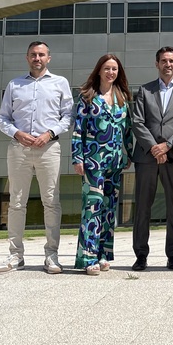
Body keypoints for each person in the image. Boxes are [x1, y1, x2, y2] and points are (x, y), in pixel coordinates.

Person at [0, 40, 74, 275]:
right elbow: (2, 118)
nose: (37, 58)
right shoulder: (15, 85)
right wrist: (17, 133)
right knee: (16, 202)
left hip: (49, 149)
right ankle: (15, 256)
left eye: (41, 54)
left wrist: (49, 133)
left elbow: (69, 116)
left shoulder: (60, 83)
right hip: (19, 149)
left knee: (51, 202)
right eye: (33, 55)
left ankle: (52, 255)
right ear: (27, 58)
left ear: (49, 58)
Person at [129, 46, 173, 271]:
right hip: (146, 157)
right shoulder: (144, 90)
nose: (168, 64)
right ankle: (140, 255)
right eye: (164, 61)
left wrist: (167, 146)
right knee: (142, 207)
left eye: (172, 61)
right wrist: (154, 148)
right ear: (156, 63)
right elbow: (137, 122)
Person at [72, 53, 132, 275]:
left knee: (108, 209)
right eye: (107, 68)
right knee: (92, 208)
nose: (110, 72)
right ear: (99, 70)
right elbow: (78, 129)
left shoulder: (122, 97)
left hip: (114, 162)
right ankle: (88, 258)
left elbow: (127, 129)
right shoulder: (87, 96)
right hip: (93, 161)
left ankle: (103, 254)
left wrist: (129, 153)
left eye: (114, 69)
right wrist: (77, 157)